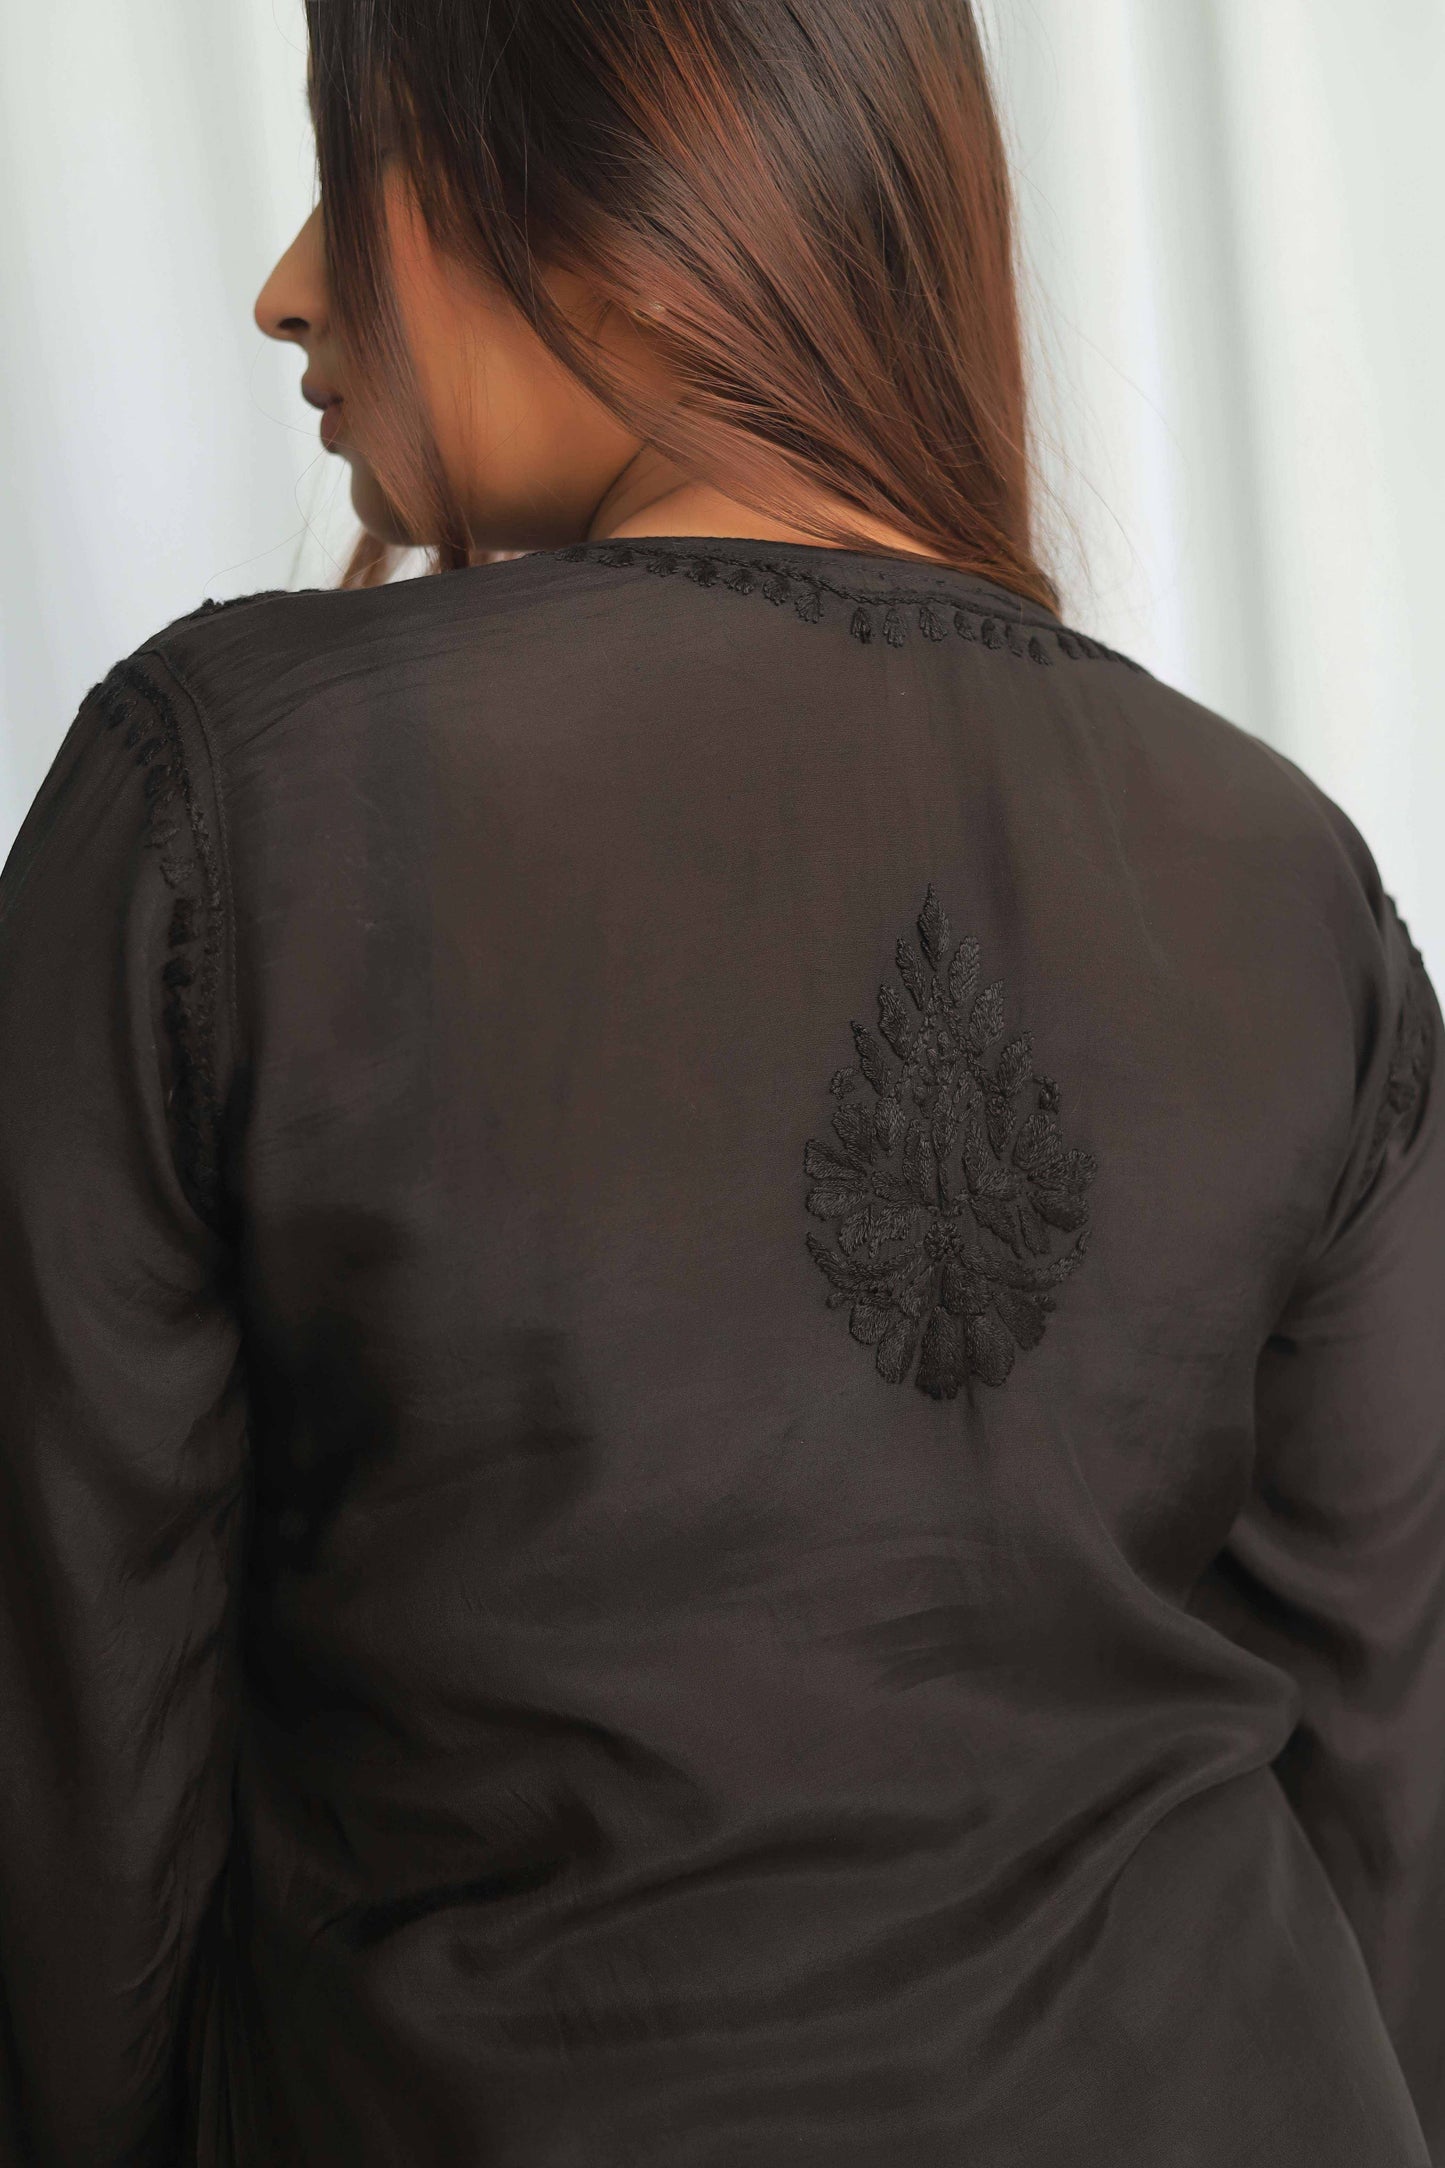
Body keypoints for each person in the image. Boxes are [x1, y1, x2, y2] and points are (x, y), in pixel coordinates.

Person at [0, 2, 1440, 2161]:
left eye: (358, 158)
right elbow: (1387, 1799)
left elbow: (66, 1828)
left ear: (631, 200)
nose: (292, 285)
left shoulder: (229, 800)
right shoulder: (1285, 875)